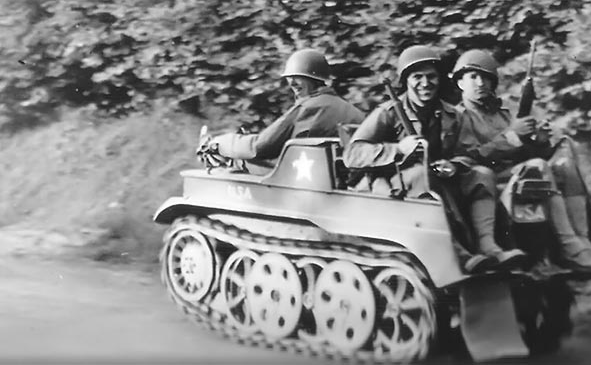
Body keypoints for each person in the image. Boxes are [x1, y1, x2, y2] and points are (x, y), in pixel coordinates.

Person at [343, 45, 526, 273]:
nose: (425, 83)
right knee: (422, 175)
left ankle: (488, 246)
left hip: (440, 177)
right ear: (406, 81)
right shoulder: (389, 112)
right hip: (395, 183)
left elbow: (469, 153)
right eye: (417, 77)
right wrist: (398, 149)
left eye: (431, 77)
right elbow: (353, 154)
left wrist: (454, 165)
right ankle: (458, 253)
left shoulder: (452, 115)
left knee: (482, 175)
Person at [452, 49, 591, 273]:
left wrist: (538, 142)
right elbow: (470, 158)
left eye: (485, 78)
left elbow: (523, 154)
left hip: (518, 174)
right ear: (460, 82)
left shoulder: (502, 115)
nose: (480, 83)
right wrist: (511, 136)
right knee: (539, 167)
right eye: (473, 77)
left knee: (565, 159)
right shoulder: (459, 117)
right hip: (486, 183)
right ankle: (571, 249)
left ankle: (584, 242)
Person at [203, 49, 365, 165]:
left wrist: (221, 143)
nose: (292, 83)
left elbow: (260, 147)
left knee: (239, 167)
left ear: (315, 79)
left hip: (304, 184)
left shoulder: (308, 107)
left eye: (299, 77)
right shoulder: (355, 113)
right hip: (337, 181)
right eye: (290, 77)